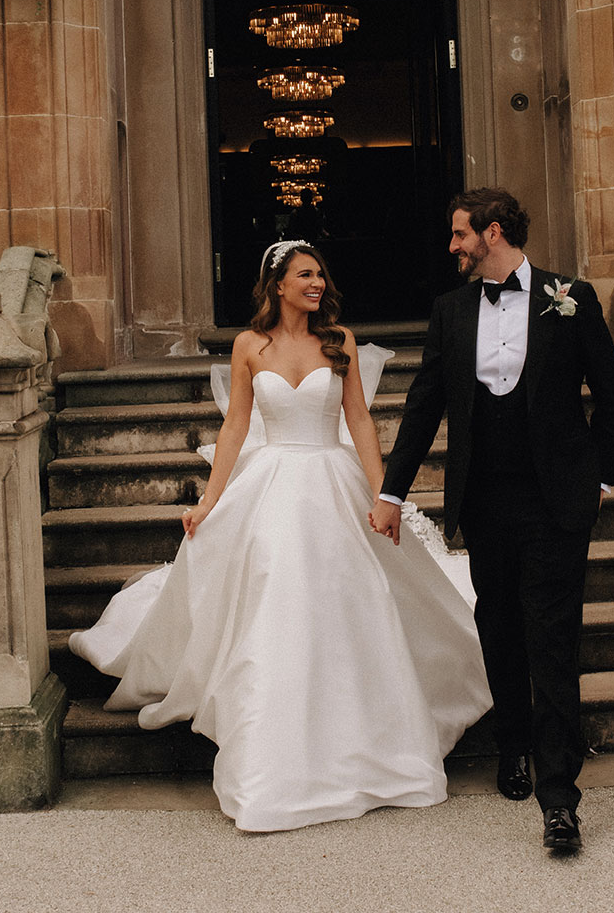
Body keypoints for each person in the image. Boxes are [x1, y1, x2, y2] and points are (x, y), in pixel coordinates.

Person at [69, 239, 491, 834]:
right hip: (271, 485)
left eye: (320, 274)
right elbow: (238, 423)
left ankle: (373, 742)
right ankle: (274, 754)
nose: (316, 284)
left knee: (352, 594)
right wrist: (209, 501)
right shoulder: (250, 345)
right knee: (274, 590)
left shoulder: (338, 342)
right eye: (304, 275)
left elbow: (359, 420)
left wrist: (384, 495)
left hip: (332, 477)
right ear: (278, 285)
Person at [370, 188, 614, 855]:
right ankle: (514, 743)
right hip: (485, 499)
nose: (452, 247)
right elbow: (425, 405)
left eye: (460, 235)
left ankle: (560, 798)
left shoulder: (570, 297)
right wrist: (391, 493)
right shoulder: (451, 311)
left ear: (491, 233)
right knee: (499, 626)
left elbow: (611, 394)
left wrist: (601, 478)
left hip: (555, 500)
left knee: (553, 635)